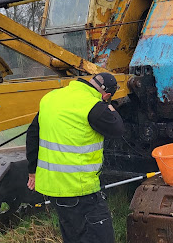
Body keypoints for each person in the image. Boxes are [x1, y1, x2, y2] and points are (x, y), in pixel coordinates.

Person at [26, 72, 125, 243]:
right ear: (106, 95)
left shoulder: (51, 97)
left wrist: (32, 172)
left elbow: (33, 133)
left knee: (73, 235)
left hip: (53, 188)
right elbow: (118, 128)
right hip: (79, 189)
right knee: (102, 237)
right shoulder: (94, 105)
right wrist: (109, 106)